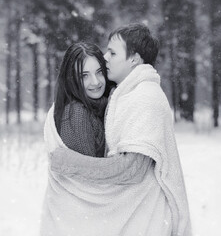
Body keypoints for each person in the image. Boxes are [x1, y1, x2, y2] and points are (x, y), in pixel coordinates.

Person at [42, 24, 191, 236]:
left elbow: (132, 169)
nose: (106, 56)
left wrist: (69, 162)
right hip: (120, 221)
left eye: (112, 52)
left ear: (134, 59)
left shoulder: (144, 98)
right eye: (84, 75)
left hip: (147, 219)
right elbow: (84, 189)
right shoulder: (83, 111)